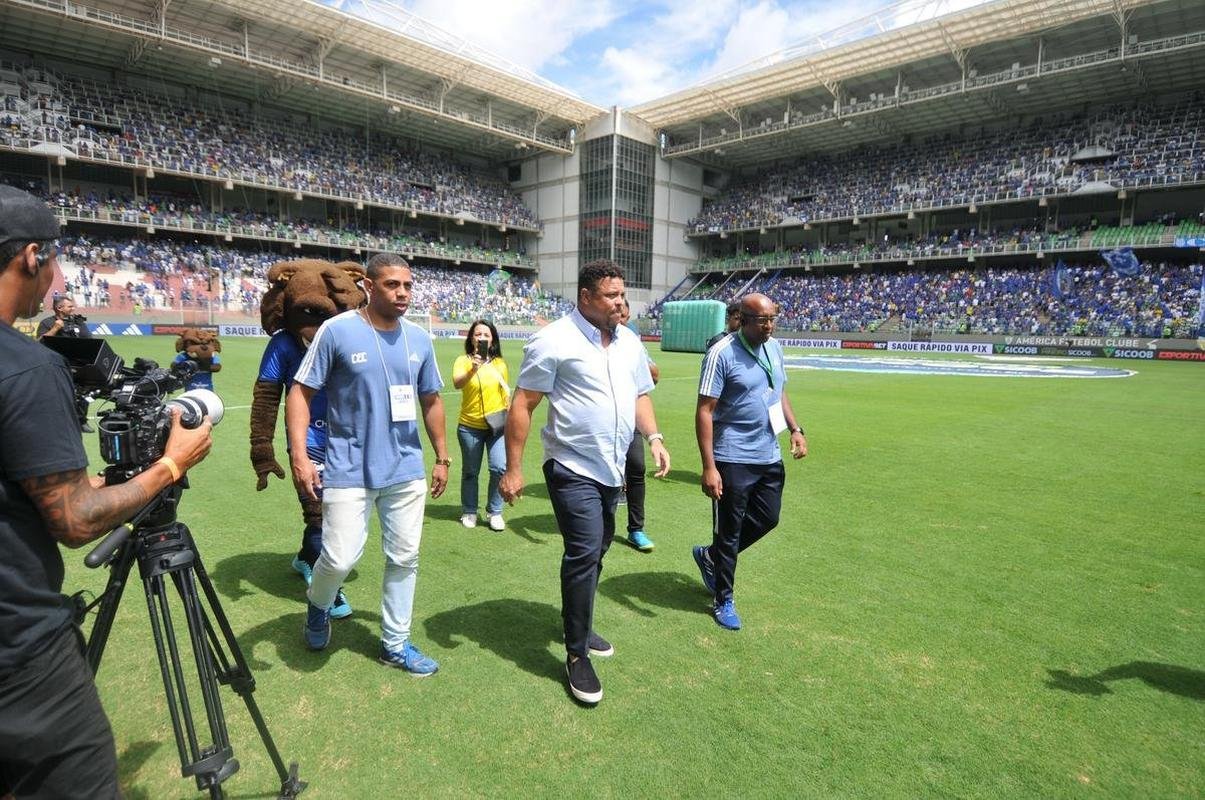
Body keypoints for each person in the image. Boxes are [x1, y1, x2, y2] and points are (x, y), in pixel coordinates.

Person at [0, 184, 213, 799]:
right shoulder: (27, 367)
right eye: (57, 260)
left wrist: (100, 481)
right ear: (31, 257)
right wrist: (170, 466)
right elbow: (73, 521)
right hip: (19, 657)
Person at [500, 260, 670, 705]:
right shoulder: (552, 340)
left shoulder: (630, 341)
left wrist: (653, 437)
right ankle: (576, 655)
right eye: (612, 296)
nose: (621, 303)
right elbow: (524, 403)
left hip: (612, 468)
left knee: (600, 548)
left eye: (622, 295)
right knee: (584, 549)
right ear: (586, 297)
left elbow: (639, 396)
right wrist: (514, 469)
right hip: (571, 465)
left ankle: (578, 620)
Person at [286, 252, 448, 676]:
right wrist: (301, 456)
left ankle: (395, 643)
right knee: (339, 558)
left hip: (406, 469)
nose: (403, 293)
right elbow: (300, 393)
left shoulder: (420, 339)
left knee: (405, 557)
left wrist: (443, 456)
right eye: (393, 285)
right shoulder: (337, 332)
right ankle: (318, 605)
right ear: (369, 287)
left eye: (409, 285)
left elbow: (431, 399)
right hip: (347, 468)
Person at [693, 293, 807, 631]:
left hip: (768, 453)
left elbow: (779, 389)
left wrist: (796, 429)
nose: (769, 325)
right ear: (742, 319)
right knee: (729, 532)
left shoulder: (774, 347)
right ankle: (723, 598)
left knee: (768, 518)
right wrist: (709, 466)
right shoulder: (721, 354)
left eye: (773, 318)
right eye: (762, 320)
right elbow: (704, 411)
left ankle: (712, 556)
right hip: (732, 456)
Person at [451, 319, 509, 532]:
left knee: (499, 467)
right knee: (470, 471)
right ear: (471, 338)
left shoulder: (499, 363)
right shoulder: (462, 360)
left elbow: (505, 393)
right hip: (470, 426)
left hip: (496, 427)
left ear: (492, 338)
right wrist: (473, 369)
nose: (482, 338)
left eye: (486, 334)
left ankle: (495, 511)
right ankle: (469, 510)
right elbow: (457, 383)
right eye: (478, 334)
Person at [618, 298, 659, 552]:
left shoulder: (631, 339)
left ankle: (636, 529)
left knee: (636, 468)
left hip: (629, 417)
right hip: (599, 423)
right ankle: (599, 524)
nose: (618, 310)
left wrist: (654, 436)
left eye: (623, 306)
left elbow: (653, 374)